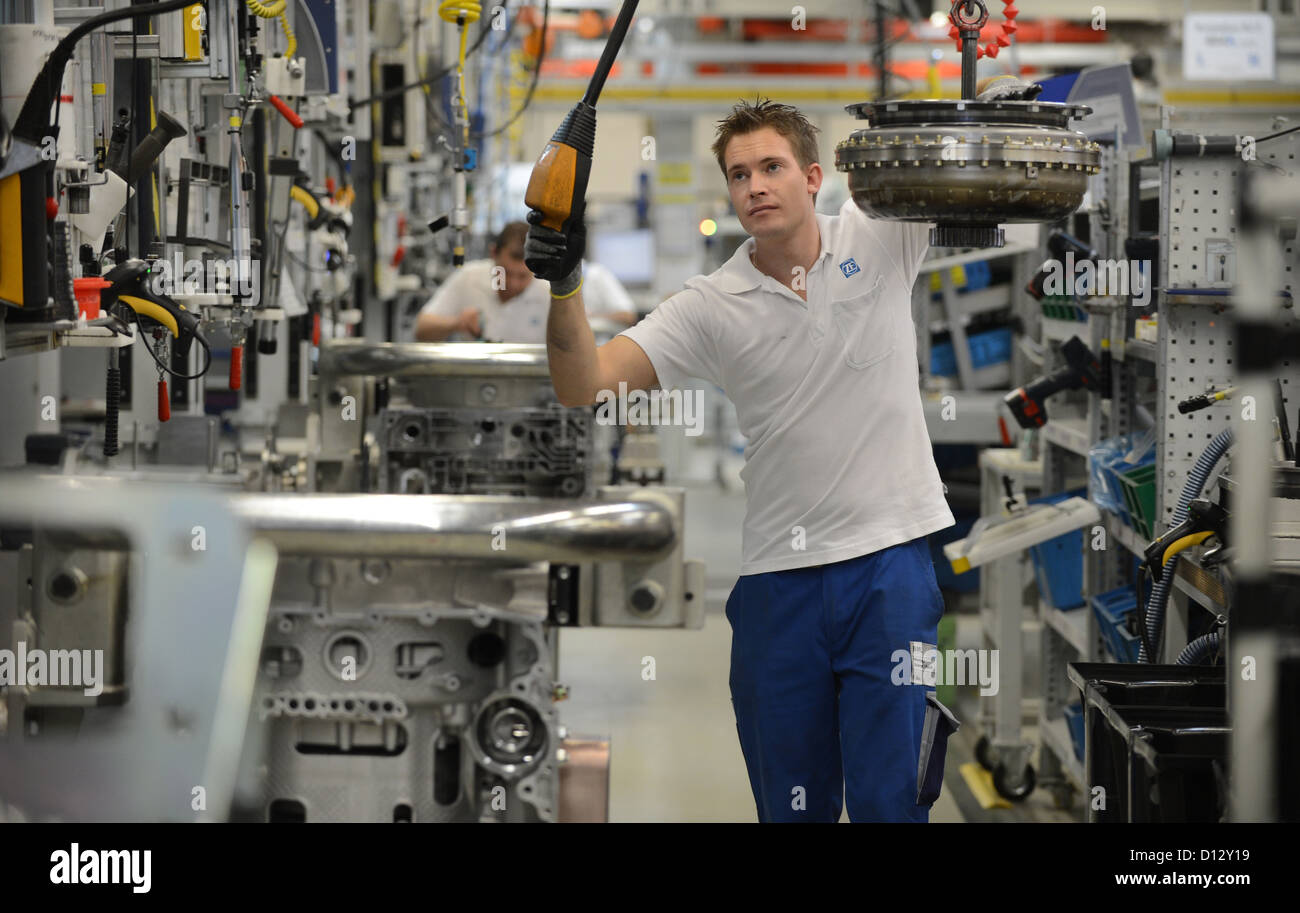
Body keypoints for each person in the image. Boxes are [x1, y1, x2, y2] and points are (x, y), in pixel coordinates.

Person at [525, 98, 957, 823]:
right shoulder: (711, 304)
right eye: (737, 174)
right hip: (777, 586)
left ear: (813, 175)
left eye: (770, 167)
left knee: (892, 803)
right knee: (792, 805)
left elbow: (968, 168)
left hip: (890, 569)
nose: (754, 185)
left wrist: (980, 73)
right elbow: (584, 384)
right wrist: (564, 282)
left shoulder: (883, 235)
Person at [415, 221, 636, 343]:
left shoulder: (549, 294)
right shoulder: (469, 278)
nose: (513, 284)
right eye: (505, 273)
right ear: (493, 253)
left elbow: (576, 343)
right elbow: (422, 330)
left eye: (522, 277)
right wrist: (455, 324)